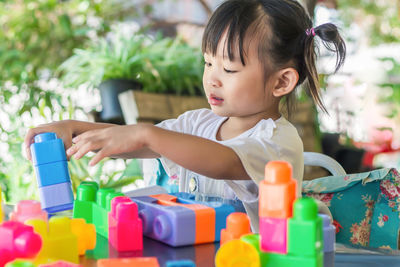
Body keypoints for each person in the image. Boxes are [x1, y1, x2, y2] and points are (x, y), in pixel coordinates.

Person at [25, 0, 346, 232]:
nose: (212, 78)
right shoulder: (199, 122)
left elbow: (225, 162)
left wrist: (145, 133)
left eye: (229, 69)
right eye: (208, 63)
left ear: (281, 81)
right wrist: (74, 129)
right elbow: (147, 145)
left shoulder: (278, 142)